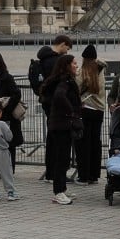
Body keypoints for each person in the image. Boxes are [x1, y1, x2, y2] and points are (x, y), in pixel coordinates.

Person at [40, 54, 81, 205]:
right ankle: (58, 192)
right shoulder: (65, 81)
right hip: (61, 125)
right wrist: (71, 112)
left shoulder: (64, 80)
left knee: (64, 158)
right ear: (67, 66)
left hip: (60, 124)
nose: (77, 66)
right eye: (74, 63)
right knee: (61, 159)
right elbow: (59, 96)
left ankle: (62, 188)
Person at [76, 45, 107, 184]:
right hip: (99, 111)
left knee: (83, 144)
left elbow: (76, 88)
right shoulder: (100, 72)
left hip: (86, 109)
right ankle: (94, 175)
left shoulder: (83, 72)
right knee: (95, 143)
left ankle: (84, 175)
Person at [33, 34, 73, 116]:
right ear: (62, 44)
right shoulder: (58, 61)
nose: (66, 52)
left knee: (51, 123)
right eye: (67, 48)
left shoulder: (43, 58)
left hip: (45, 97)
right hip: (56, 98)